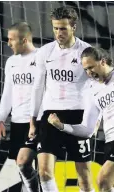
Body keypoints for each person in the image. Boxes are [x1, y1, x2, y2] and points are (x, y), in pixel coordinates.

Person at [47, 46, 114, 192]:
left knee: (102, 180)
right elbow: (87, 130)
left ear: (103, 61)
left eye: (91, 67)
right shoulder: (92, 90)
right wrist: (62, 126)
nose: (89, 72)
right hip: (111, 142)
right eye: (85, 69)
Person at [29, 7, 94, 192]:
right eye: (56, 28)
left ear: (73, 27)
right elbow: (38, 86)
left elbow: (97, 86)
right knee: (44, 171)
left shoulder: (86, 52)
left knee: (84, 176)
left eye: (63, 28)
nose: (59, 33)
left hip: (78, 116)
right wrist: (33, 119)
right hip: (50, 115)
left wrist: (96, 118)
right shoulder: (44, 52)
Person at [0, 22, 41, 192]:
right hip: (17, 121)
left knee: (31, 164)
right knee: (21, 167)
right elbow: (7, 92)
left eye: (11, 40)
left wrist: (35, 120)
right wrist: (1, 119)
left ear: (24, 40)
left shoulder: (41, 57)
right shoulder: (11, 62)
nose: (8, 43)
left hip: (37, 121)